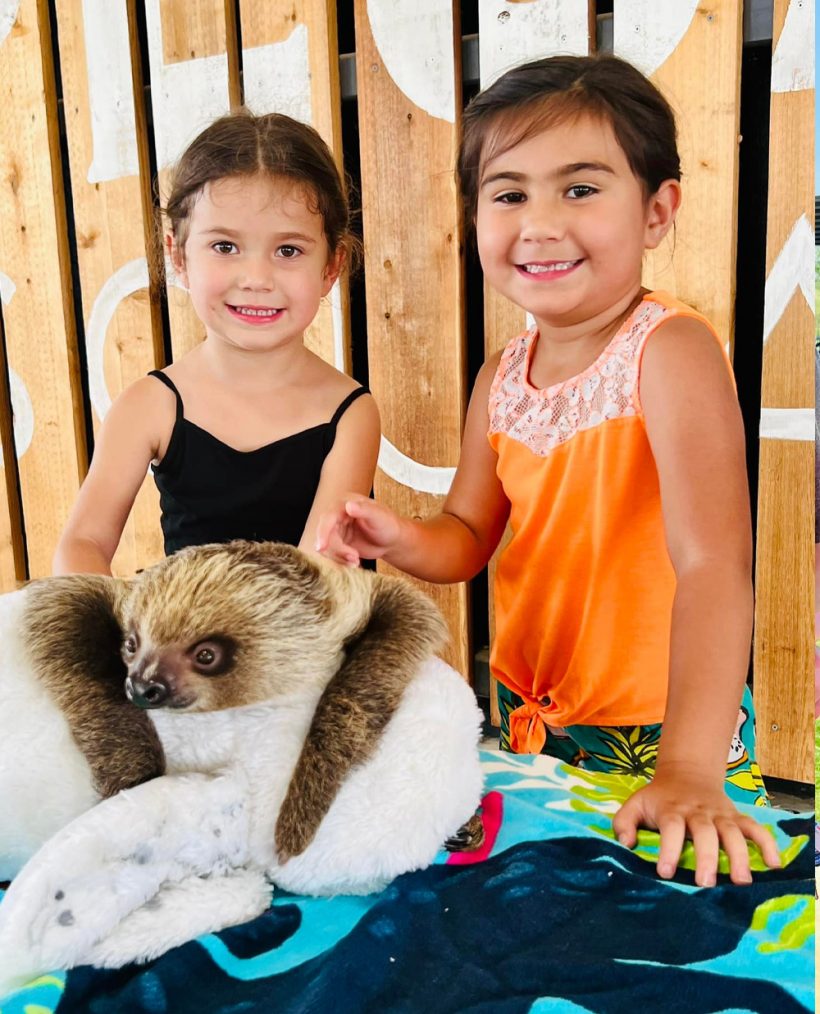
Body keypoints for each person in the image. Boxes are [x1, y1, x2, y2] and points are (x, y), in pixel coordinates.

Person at [316, 55, 781, 887]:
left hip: (665, 728)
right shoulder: (501, 373)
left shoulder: (670, 349)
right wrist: (398, 535)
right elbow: (466, 540)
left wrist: (689, 770)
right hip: (529, 721)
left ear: (657, 210)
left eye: (579, 188)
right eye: (508, 193)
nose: (538, 223)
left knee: (671, 906)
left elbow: (714, 562)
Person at [53, 111, 379, 574]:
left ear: (331, 266)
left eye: (288, 251)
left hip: (309, 635)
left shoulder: (351, 413)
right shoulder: (150, 405)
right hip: (186, 640)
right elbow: (82, 543)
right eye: (225, 247)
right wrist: (116, 631)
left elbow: (319, 573)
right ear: (178, 254)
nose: (256, 279)